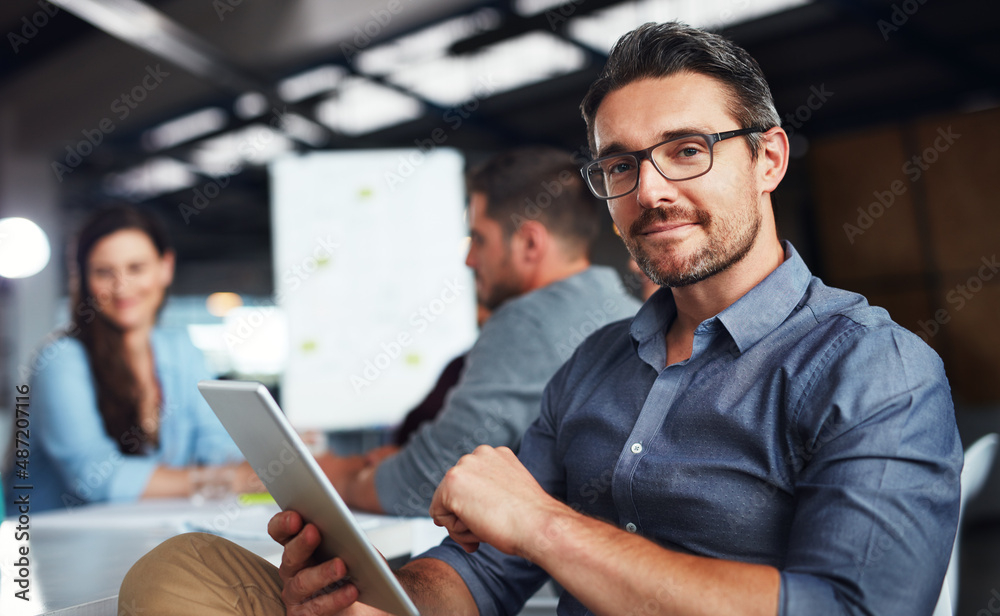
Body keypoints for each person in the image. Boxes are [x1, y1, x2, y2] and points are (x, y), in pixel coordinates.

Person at [119, 22, 962, 616]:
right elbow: (480, 578)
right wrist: (383, 599)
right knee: (180, 572)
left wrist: (545, 525)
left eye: (687, 150)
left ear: (767, 157)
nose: (653, 190)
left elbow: (847, 608)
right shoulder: (595, 365)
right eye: (622, 165)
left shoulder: (873, 368)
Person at [311, 146, 640, 515]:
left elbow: (431, 479)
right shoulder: (631, 313)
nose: (468, 260)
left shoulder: (527, 322)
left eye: (478, 239)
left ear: (530, 243)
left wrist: (333, 476)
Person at [6, 206, 258, 512]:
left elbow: (218, 448)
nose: (122, 287)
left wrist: (270, 454)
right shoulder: (59, 360)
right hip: (61, 552)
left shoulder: (181, 349)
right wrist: (229, 480)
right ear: (85, 280)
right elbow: (96, 479)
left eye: (136, 268)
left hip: (151, 538)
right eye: (104, 272)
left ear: (165, 268)